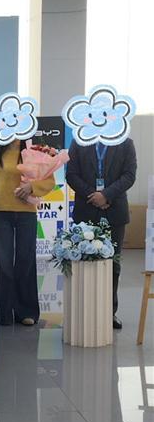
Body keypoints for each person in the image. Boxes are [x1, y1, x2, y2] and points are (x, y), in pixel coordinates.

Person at [66, 136, 137, 329]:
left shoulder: (125, 142)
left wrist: (106, 195)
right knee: (83, 262)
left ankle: (109, 312)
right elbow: (71, 174)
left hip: (115, 211)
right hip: (86, 209)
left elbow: (129, 175)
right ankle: (84, 311)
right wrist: (94, 195)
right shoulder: (79, 141)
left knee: (112, 264)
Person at [0, 140, 55, 326]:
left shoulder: (35, 152)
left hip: (27, 213)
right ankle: (5, 312)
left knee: (25, 260)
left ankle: (26, 312)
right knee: (4, 264)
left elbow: (49, 181)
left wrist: (32, 187)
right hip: (1, 213)